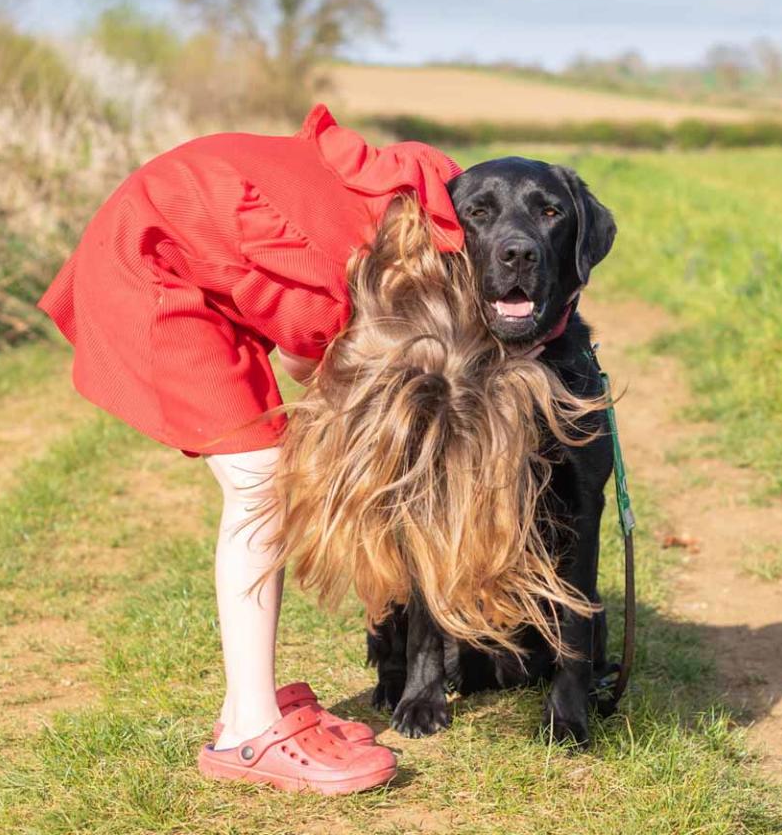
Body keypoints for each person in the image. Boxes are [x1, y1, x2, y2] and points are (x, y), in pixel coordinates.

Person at [37, 104, 602, 796]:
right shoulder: (353, 273)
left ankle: (248, 706)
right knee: (258, 481)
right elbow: (336, 384)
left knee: (271, 474)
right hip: (151, 258)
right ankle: (249, 731)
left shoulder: (438, 198)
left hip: (194, 231)